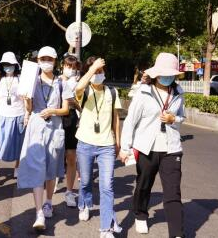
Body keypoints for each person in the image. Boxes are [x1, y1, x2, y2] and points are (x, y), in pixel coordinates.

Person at [119, 52, 185, 238]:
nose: (167, 76)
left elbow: (182, 117)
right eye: (164, 73)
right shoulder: (143, 92)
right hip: (146, 147)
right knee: (143, 184)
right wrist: (125, 147)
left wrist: (174, 119)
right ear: (156, 73)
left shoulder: (179, 93)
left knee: (173, 191)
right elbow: (131, 121)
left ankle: (177, 234)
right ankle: (140, 215)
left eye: (171, 73)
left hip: (171, 148)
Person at [17, 46, 70, 232]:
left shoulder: (62, 83)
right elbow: (30, 109)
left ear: (55, 61)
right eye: (42, 58)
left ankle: (48, 202)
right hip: (36, 128)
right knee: (37, 168)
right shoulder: (31, 80)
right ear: (38, 60)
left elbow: (66, 110)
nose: (46, 61)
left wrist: (53, 110)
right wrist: (26, 100)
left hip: (55, 128)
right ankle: (39, 212)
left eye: (50, 58)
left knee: (52, 169)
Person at [74, 56, 122, 237]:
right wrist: (92, 68)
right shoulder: (84, 91)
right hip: (85, 143)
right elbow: (77, 87)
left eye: (100, 71)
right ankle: (85, 203)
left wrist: (118, 142)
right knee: (85, 181)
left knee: (107, 186)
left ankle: (106, 228)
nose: (97, 74)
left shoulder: (112, 92)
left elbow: (116, 119)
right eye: (95, 71)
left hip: (106, 145)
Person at [0, 52, 25, 182]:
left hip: (18, 115)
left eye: (10, 64)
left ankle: (17, 169)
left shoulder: (21, 79)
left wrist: (27, 114)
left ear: (15, 65)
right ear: (1, 66)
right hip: (1, 115)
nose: (8, 67)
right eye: (5, 65)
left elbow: (25, 98)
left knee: (18, 143)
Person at [60, 54, 82, 208]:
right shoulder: (56, 81)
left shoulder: (79, 83)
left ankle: (69, 191)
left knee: (71, 156)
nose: (70, 70)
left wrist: (74, 102)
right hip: (56, 117)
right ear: (62, 66)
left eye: (73, 68)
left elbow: (81, 101)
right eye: (68, 66)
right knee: (55, 155)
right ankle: (52, 183)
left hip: (72, 118)